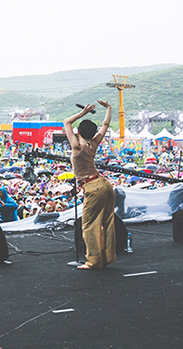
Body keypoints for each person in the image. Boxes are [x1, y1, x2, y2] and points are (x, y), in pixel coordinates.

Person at [64, 100, 116, 270]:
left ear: (78, 131)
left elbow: (66, 122)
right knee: (107, 221)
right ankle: (108, 256)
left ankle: (93, 261)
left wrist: (83, 112)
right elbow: (106, 124)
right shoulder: (94, 143)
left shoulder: (77, 146)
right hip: (104, 183)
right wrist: (108, 108)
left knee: (89, 226)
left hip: (93, 187)